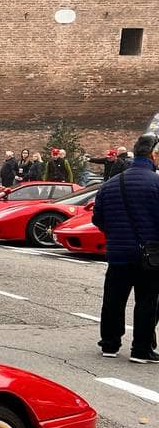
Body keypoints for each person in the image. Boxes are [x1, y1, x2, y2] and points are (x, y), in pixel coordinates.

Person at [91, 134, 159, 362]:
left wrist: (117, 234)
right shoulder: (156, 183)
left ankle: (109, 345)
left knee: (113, 300)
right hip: (149, 255)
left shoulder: (110, 184)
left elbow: (98, 219)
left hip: (118, 253)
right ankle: (141, 349)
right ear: (153, 155)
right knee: (147, 301)